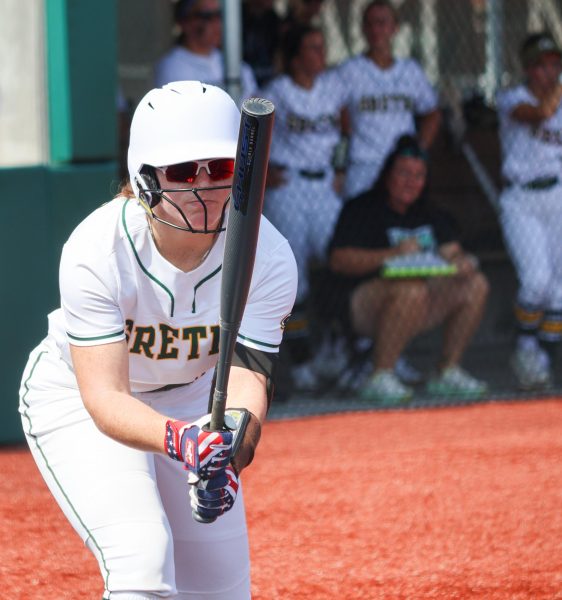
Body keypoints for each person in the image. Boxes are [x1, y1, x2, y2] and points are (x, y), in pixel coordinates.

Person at [19, 81, 297, 599]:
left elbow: (246, 380)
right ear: (144, 180)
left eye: (220, 168)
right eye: (184, 171)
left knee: (221, 591)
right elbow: (104, 397)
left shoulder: (270, 256)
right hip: (80, 399)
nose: (203, 186)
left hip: (193, 395)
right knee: (142, 559)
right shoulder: (96, 250)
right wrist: (181, 442)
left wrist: (230, 444)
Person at [329, 135, 489, 405]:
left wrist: (461, 262)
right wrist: (392, 254)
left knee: (476, 284)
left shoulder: (430, 211)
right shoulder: (363, 207)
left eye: (418, 175)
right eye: (403, 173)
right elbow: (339, 259)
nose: (410, 182)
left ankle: (447, 371)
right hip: (362, 306)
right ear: (388, 175)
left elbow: (453, 252)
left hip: (421, 303)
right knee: (411, 290)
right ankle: (380, 375)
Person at [261, 24, 348, 391]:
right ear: (295, 55)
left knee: (337, 263)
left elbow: (346, 129)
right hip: (290, 185)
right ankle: (301, 361)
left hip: (326, 184)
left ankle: (334, 347)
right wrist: (264, 170)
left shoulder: (334, 87)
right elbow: (252, 130)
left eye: (321, 46)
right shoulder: (276, 91)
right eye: (312, 47)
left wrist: (342, 167)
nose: (320, 54)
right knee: (294, 280)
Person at [496, 32, 562, 390]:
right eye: (543, 65)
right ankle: (524, 345)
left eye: (555, 64)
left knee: (559, 291)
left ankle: (545, 362)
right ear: (528, 68)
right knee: (536, 280)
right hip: (521, 199)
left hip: (557, 195)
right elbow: (540, 114)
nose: (550, 72)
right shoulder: (511, 97)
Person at [337, 0, 441, 201]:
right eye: (369, 23)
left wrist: (418, 149)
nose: (375, 29)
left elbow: (432, 113)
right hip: (364, 163)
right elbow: (338, 115)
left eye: (382, 22)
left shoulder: (410, 70)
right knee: (363, 223)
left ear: (395, 28)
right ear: (362, 29)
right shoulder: (349, 71)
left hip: (402, 164)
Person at [154, 0, 257, 102]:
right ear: (184, 22)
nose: (217, 23)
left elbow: (256, 105)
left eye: (219, 15)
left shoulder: (234, 64)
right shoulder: (172, 67)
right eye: (207, 16)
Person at [242, 0, 283, 88]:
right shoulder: (237, 15)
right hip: (242, 80)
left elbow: (279, 56)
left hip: (268, 81)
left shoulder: (273, 19)